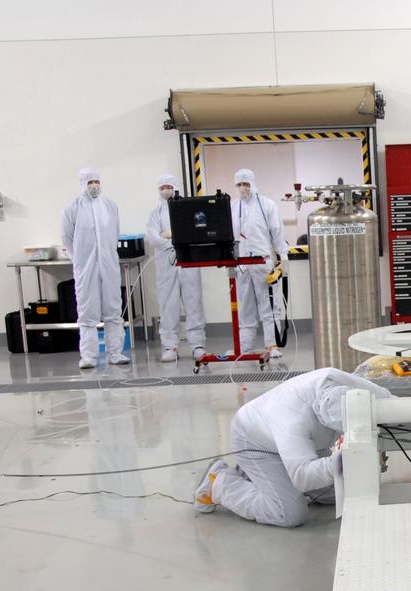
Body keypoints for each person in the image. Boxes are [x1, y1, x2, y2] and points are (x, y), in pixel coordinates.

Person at [194, 368, 390, 526]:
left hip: (297, 441)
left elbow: (394, 406)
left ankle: (261, 478)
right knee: (290, 514)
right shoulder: (292, 419)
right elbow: (302, 477)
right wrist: (342, 461)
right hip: (255, 443)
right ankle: (219, 484)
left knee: (343, 493)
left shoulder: (350, 386)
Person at [61, 167, 128, 369]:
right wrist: (79, 261)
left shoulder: (110, 206)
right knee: (87, 310)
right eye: (90, 182)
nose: (94, 185)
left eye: (97, 181)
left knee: (113, 308)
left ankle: (115, 353)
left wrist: (106, 255)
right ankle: (89, 356)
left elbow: (114, 233)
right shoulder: (72, 208)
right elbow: (67, 238)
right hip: (85, 266)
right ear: (82, 184)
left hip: (108, 263)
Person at [145, 174, 206, 362]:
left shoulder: (189, 210)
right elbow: (153, 238)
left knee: (193, 303)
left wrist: (170, 237)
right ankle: (170, 346)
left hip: (188, 262)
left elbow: (196, 232)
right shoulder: (155, 214)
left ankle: (198, 345)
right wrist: (174, 241)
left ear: (176, 187)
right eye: (162, 187)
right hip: (166, 265)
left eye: (169, 186)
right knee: (168, 305)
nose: (166, 190)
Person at [230, 168, 290, 357]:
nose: (242, 188)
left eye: (246, 184)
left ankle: (272, 345)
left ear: (253, 183)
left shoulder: (267, 205)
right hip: (242, 265)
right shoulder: (233, 206)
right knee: (245, 307)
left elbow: (277, 232)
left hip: (263, 263)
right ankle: (244, 347)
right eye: (239, 184)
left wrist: (284, 256)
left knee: (268, 305)